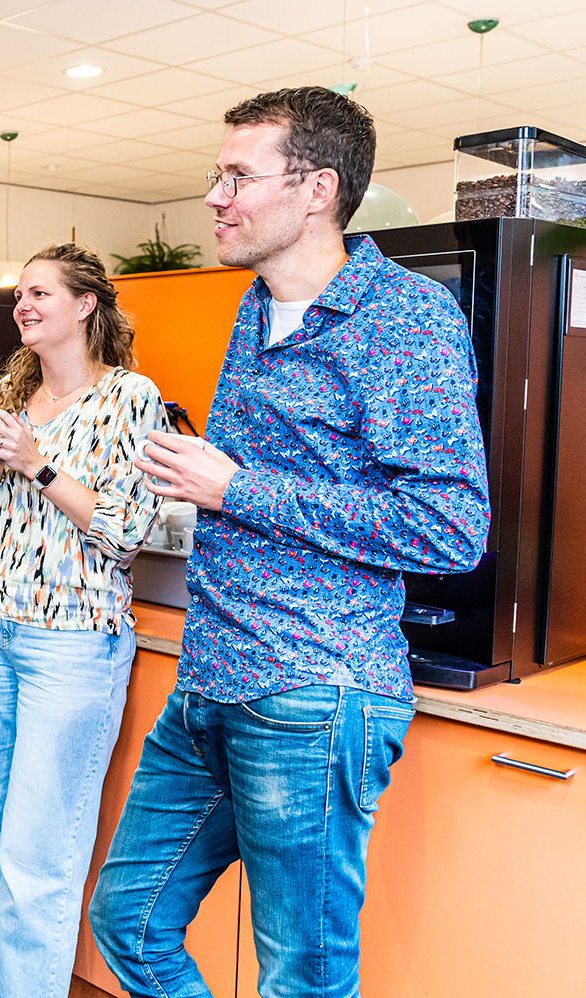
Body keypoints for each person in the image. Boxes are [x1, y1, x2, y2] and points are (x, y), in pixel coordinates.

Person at [89, 88, 491, 997]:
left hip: (314, 693)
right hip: (212, 681)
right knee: (129, 921)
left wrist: (236, 486)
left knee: (302, 979)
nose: (214, 198)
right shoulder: (253, 308)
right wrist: (198, 482)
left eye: (237, 176)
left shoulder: (406, 321)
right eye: (216, 175)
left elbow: (452, 525)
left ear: (316, 188)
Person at [0, 242, 168, 998]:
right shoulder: (12, 394)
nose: (23, 306)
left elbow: (125, 530)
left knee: (38, 855)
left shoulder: (131, 398)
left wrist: (37, 464)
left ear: (85, 306)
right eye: (19, 296)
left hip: (70, 643)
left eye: (41, 293)